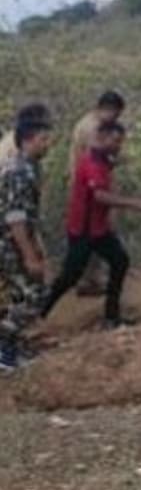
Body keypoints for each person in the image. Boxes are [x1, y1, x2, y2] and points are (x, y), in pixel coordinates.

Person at [41, 121, 141, 329]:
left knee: (120, 261)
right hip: (84, 230)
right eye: (116, 141)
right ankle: (37, 313)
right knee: (69, 277)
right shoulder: (93, 163)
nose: (119, 146)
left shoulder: (100, 159)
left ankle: (111, 316)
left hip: (97, 229)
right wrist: (136, 204)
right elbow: (100, 196)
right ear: (102, 138)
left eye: (120, 142)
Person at [0, 118, 55, 370]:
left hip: (17, 242)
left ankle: (11, 347)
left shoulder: (30, 168)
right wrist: (29, 255)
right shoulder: (18, 171)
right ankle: (4, 349)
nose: (48, 144)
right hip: (10, 245)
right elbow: (16, 218)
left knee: (20, 296)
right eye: (43, 139)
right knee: (35, 295)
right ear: (27, 140)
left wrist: (37, 247)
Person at [67, 91, 127, 298]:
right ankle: (87, 280)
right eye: (116, 114)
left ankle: (89, 278)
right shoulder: (93, 128)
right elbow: (97, 159)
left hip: (86, 184)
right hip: (90, 187)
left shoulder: (87, 123)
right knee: (96, 233)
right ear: (108, 109)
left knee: (94, 234)